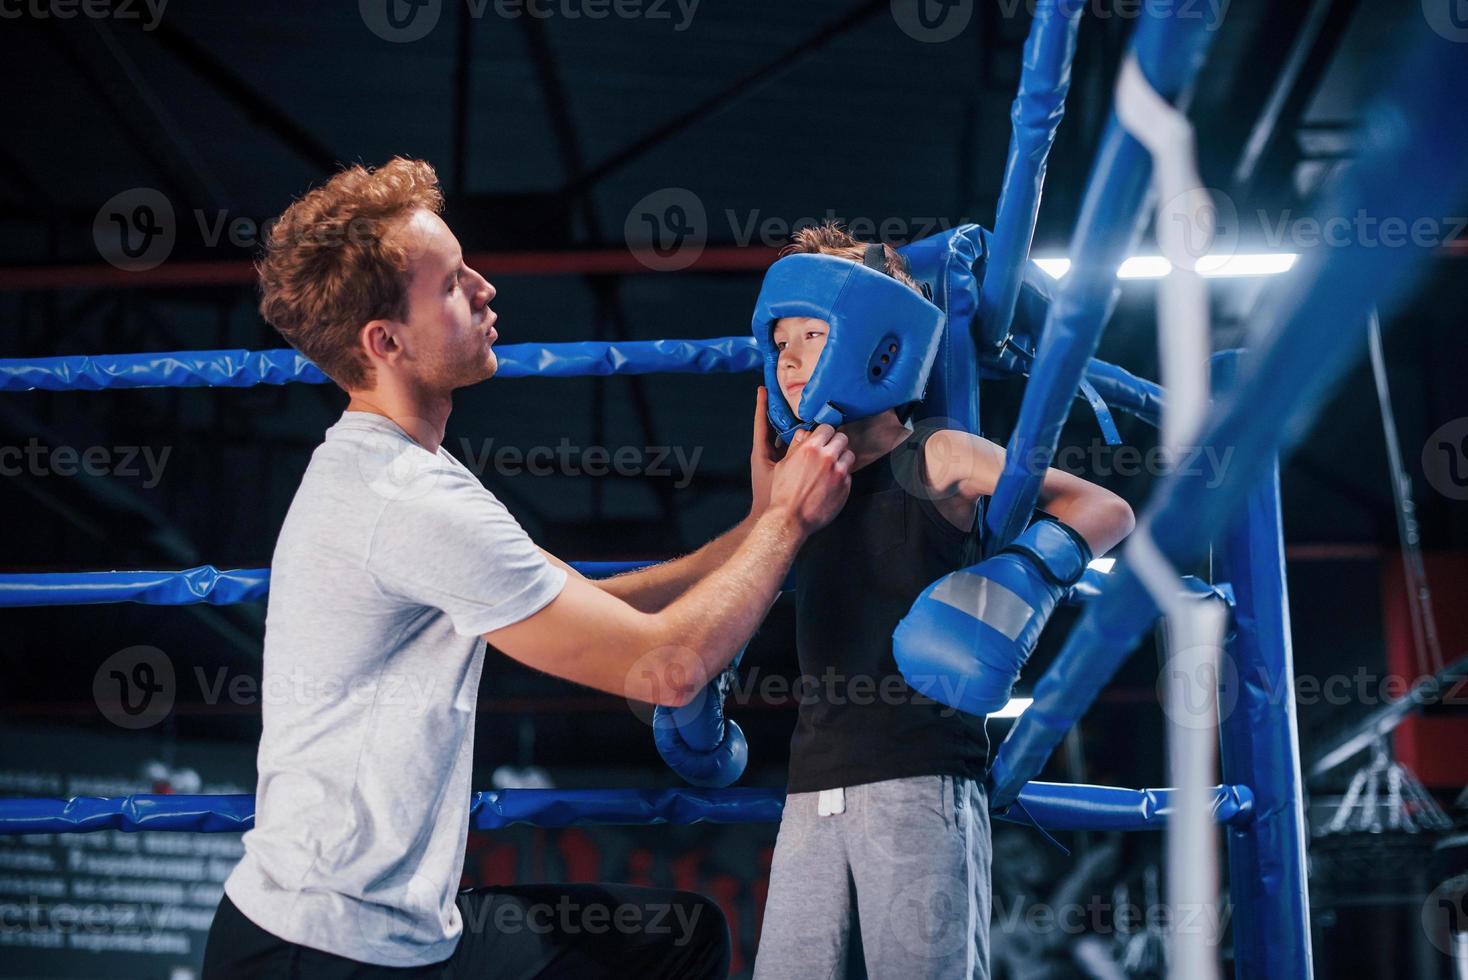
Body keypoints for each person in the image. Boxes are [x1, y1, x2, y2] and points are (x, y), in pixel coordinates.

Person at [202, 157, 855, 979]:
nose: (485, 289)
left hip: (379, 935)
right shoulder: (407, 499)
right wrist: (790, 522)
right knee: (676, 946)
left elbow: (592, 606)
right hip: (324, 953)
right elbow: (669, 667)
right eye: (450, 284)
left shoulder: (404, 475)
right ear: (386, 342)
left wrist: (758, 526)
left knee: (675, 938)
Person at [748, 223, 1136, 979]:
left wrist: (1019, 577)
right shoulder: (795, 479)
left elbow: (1105, 508)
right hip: (810, 783)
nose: (790, 359)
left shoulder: (935, 454)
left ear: (877, 337)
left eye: (814, 334)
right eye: (780, 339)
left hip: (921, 777)